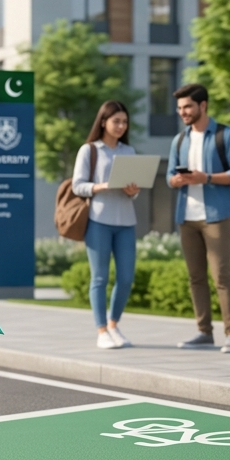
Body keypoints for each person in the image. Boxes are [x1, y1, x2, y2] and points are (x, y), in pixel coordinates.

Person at [167, 83, 230, 353]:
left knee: (221, 275)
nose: (183, 112)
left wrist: (207, 178)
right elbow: (168, 176)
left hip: (216, 216)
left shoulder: (226, 135)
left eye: (187, 106)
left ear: (203, 106)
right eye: (179, 108)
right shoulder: (179, 140)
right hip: (186, 216)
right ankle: (204, 332)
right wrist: (177, 180)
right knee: (196, 277)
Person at [70, 101, 140, 349]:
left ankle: (113, 324)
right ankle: (101, 331)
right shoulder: (89, 150)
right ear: (103, 122)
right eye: (116, 121)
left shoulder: (129, 151)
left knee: (126, 277)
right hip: (99, 220)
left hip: (126, 221)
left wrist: (133, 191)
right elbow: (77, 186)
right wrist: (102, 185)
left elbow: (133, 190)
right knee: (99, 278)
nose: (121, 126)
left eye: (124, 121)